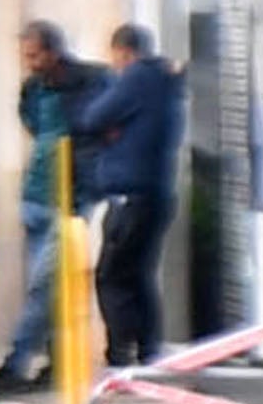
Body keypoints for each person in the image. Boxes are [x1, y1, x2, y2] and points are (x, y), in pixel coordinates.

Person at [74, 19, 190, 371]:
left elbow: (92, 118)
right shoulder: (167, 83)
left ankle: (121, 354)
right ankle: (148, 350)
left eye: (115, 59)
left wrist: (111, 124)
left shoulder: (138, 78)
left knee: (112, 276)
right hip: (157, 193)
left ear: (124, 52)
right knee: (140, 274)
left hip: (130, 195)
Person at [0, 21, 88, 387]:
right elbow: (31, 123)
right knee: (49, 289)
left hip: (67, 200)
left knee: (41, 287)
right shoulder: (32, 89)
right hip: (35, 197)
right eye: (25, 56)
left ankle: (16, 364)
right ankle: (58, 363)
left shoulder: (86, 84)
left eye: (34, 55)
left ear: (54, 52)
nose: (29, 63)